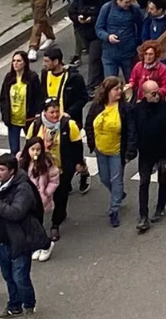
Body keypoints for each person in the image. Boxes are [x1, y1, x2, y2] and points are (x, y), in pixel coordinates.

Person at [27, 98, 84, 244]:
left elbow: (77, 146)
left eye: (57, 111)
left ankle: (55, 224)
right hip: (41, 169)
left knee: (61, 195)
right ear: (45, 112)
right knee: (38, 196)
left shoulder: (69, 125)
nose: (55, 115)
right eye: (51, 112)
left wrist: (78, 162)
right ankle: (37, 225)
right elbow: (29, 145)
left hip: (62, 167)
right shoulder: (36, 125)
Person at [0, 153, 51, 315]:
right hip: (3, 238)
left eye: (1, 170)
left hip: (20, 239)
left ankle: (29, 306)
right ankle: (14, 306)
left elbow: (16, 212)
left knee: (20, 278)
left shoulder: (23, 188)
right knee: (8, 276)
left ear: (12, 171)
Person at [83, 77, 134, 228]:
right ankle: (118, 194)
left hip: (117, 151)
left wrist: (129, 152)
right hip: (101, 149)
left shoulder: (125, 109)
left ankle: (114, 210)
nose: (119, 92)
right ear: (107, 91)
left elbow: (131, 131)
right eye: (116, 89)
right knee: (104, 178)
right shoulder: (97, 106)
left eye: (120, 89)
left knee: (116, 180)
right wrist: (92, 142)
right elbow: (89, 124)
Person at [130, 80, 166, 233]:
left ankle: (160, 208)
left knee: (163, 179)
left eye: (158, 91)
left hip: (163, 151)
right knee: (144, 182)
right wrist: (132, 148)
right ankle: (143, 215)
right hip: (146, 152)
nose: (157, 95)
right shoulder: (137, 110)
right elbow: (133, 130)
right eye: (153, 93)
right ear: (145, 94)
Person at [18, 137, 58, 262]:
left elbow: (54, 179)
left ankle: (45, 245)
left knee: (37, 223)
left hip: (39, 199)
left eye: (38, 150)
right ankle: (36, 246)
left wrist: (46, 192)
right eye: (33, 149)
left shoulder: (46, 162)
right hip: (24, 198)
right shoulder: (20, 160)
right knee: (28, 223)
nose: (35, 152)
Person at [0, 54, 42, 157]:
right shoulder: (9, 77)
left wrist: (37, 112)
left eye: (19, 61)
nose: (15, 63)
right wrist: (4, 112)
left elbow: (39, 96)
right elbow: (3, 97)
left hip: (28, 119)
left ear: (25, 62)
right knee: (14, 150)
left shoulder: (32, 77)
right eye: (14, 61)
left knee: (31, 148)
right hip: (13, 119)